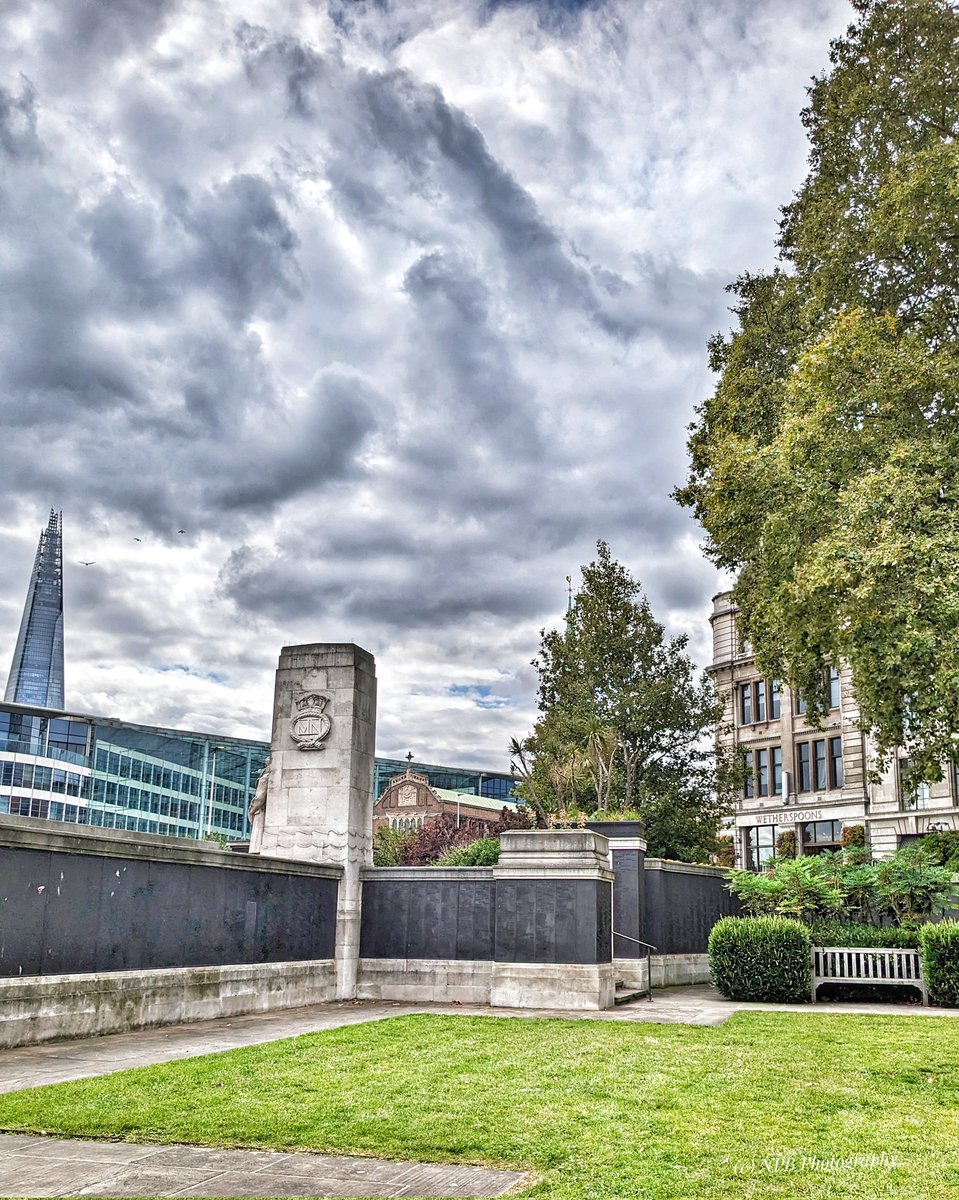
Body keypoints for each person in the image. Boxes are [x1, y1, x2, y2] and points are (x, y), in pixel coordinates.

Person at [248, 754, 272, 853]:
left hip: (260, 811)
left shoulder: (264, 778)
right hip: (268, 812)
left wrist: (251, 810)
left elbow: (259, 798)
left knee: (257, 840)